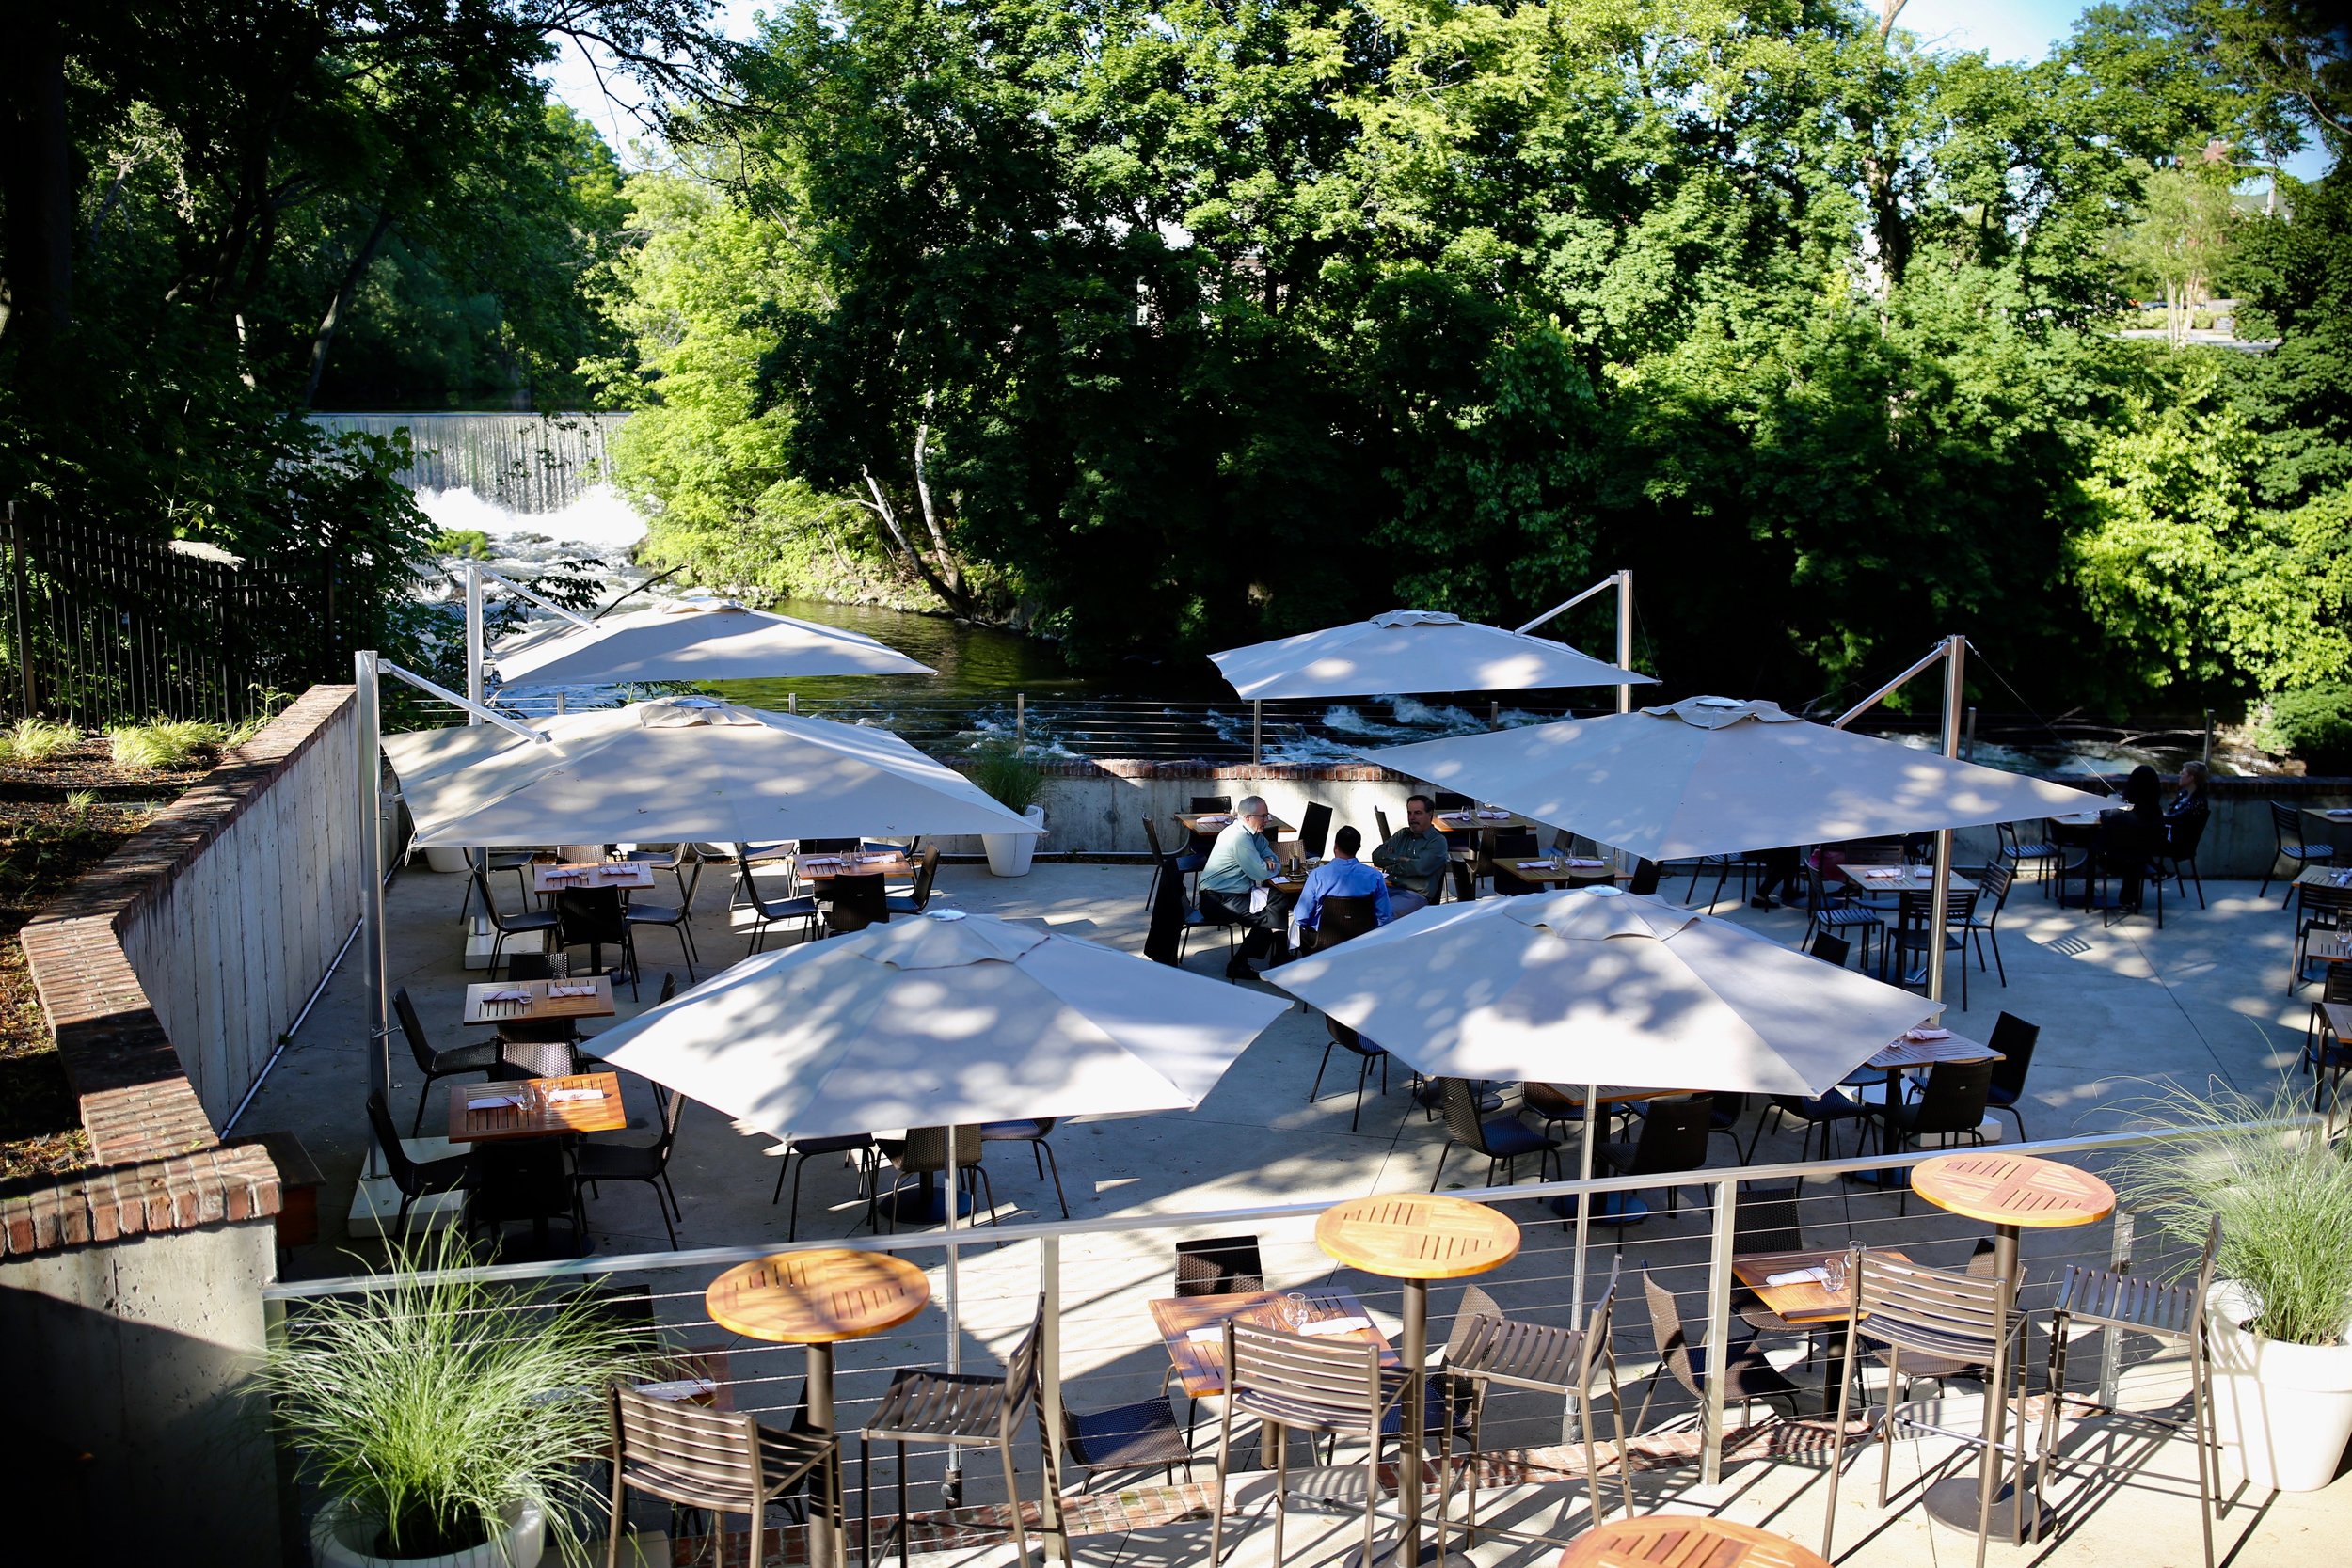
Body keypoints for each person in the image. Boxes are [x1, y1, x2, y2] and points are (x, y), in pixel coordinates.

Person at [1199, 795, 1293, 978]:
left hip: (1236, 892)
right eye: (1263, 816)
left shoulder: (1253, 834)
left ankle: (1279, 955)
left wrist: (1269, 862)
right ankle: (1241, 963)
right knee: (1269, 916)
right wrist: (1267, 864)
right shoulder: (1239, 837)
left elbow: (1272, 857)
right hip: (1217, 899)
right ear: (1247, 818)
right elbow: (1261, 873)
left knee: (1279, 898)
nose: (1267, 820)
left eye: (1267, 815)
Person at [1295, 826, 1394, 943]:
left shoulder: (1318, 876)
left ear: (1335, 846)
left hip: (1322, 943)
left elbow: (1301, 917)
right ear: (1358, 847)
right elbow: (1385, 916)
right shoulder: (1375, 877)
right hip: (1362, 943)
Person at [2101, 763, 2164, 912]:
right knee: (2136, 858)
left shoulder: (2123, 811)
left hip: (2113, 861)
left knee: (2129, 856)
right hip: (2141, 856)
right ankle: (2129, 899)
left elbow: (2107, 822)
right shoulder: (2156, 812)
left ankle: (2128, 899)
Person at [1372, 794, 1452, 906]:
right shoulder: (1402, 834)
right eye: (1409, 813)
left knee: (1385, 912)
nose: (1412, 818)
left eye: (1417, 813)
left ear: (1430, 814)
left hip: (1415, 895)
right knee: (1355, 905)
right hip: (1389, 888)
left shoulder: (1437, 841)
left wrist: (1391, 864)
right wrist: (1401, 858)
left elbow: (1419, 867)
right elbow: (1376, 856)